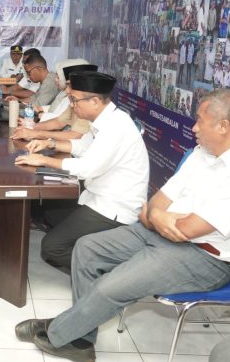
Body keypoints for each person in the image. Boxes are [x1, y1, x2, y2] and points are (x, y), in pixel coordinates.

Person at [15, 89, 230, 361]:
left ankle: (60, 333)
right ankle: (80, 337)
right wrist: (160, 217)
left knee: (110, 287)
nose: (194, 128)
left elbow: (187, 230)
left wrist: (157, 216)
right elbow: (158, 201)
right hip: (159, 234)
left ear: (223, 126)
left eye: (199, 120)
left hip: (204, 258)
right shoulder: (203, 152)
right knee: (87, 249)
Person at [15, 71, 149, 273]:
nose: (71, 105)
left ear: (94, 101)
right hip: (97, 196)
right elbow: (82, 146)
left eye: (74, 100)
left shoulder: (116, 127)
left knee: (52, 247)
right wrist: (49, 143)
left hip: (114, 208)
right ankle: (89, 247)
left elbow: (87, 167)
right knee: (49, 213)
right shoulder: (104, 120)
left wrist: (44, 160)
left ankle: (117, 272)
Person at [11, 59, 96, 142]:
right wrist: (31, 127)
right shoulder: (75, 101)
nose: (67, 90)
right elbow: (58, 122)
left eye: (70, 86)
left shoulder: (86, 104)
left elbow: (75, 136)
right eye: (67, 85)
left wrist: (36, 133)